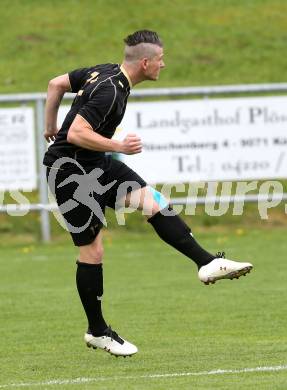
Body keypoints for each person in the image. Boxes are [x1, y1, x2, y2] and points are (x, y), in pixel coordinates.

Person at [43, 30, 253, 358]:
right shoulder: (110, 91)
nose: (163, 64)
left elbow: (56, 84)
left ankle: (207, 262)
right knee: (93, 251)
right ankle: (97, 331)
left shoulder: (106, 72)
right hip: (70, 171)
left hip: (94, 163)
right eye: (160, 59)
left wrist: (48, 126)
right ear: (145, 62)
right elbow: (77, 132)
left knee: (151, 201)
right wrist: (118, 146)